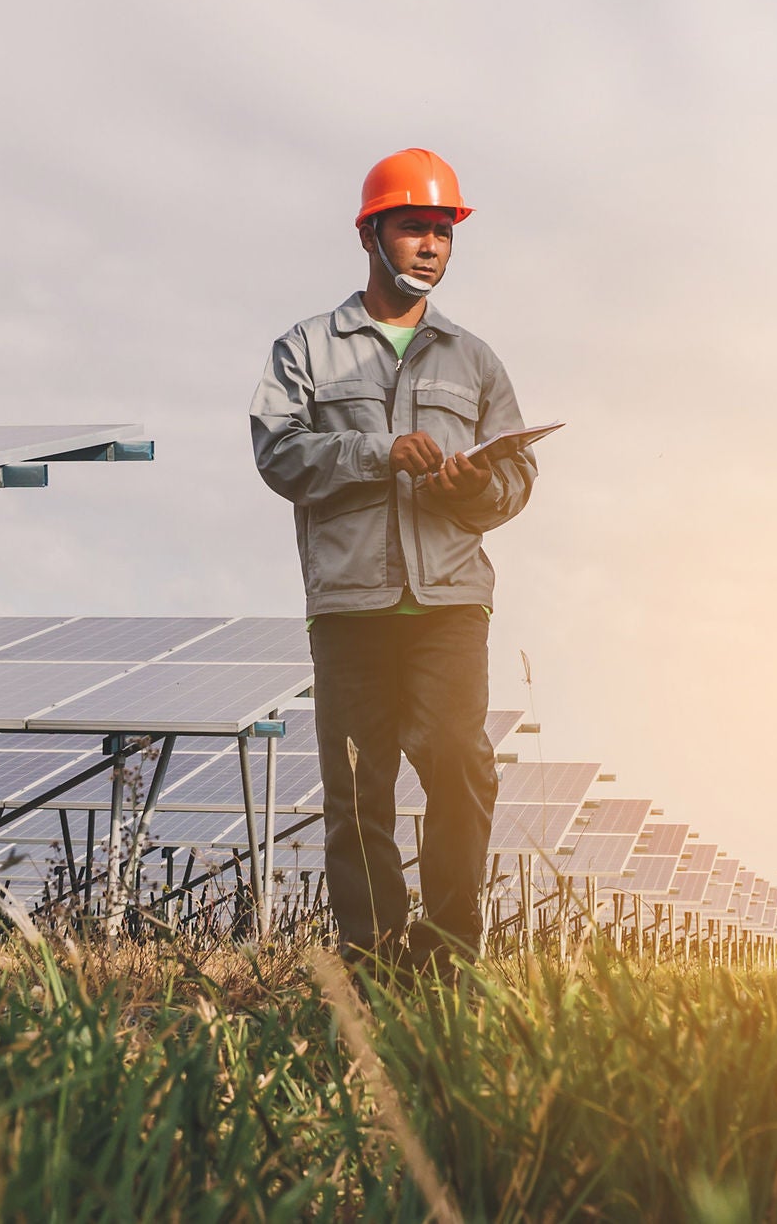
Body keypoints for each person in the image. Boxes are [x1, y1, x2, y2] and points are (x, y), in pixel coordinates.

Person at [249, 148, 538, 978]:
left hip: (450, 602)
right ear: (370, 232)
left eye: (443, 232)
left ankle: (448, 952)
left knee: (460, 761)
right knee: (357, 788)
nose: (431, 246)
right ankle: (373, 961)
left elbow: (517, 480)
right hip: (351, 603)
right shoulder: (305, 348)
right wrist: (380, 453)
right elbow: (279, 453)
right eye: (414, 227)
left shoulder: (475, 359)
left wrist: (473, 486)